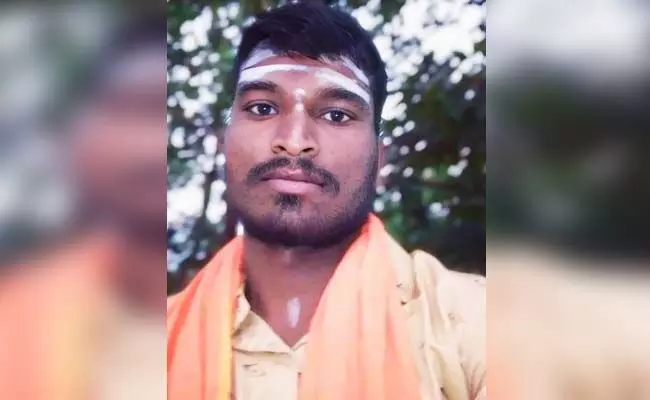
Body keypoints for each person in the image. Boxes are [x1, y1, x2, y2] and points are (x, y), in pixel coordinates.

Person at [167, 3, 485, 400]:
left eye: (336, 115)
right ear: (223, 146)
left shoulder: (478, 321)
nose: (294, 141)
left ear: (379, 162)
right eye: (263, 108)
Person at [0, 16, 167, 400]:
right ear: (77, 140)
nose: (152, 145)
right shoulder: (14, 315)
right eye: (132, 110)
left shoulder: (228, 313)